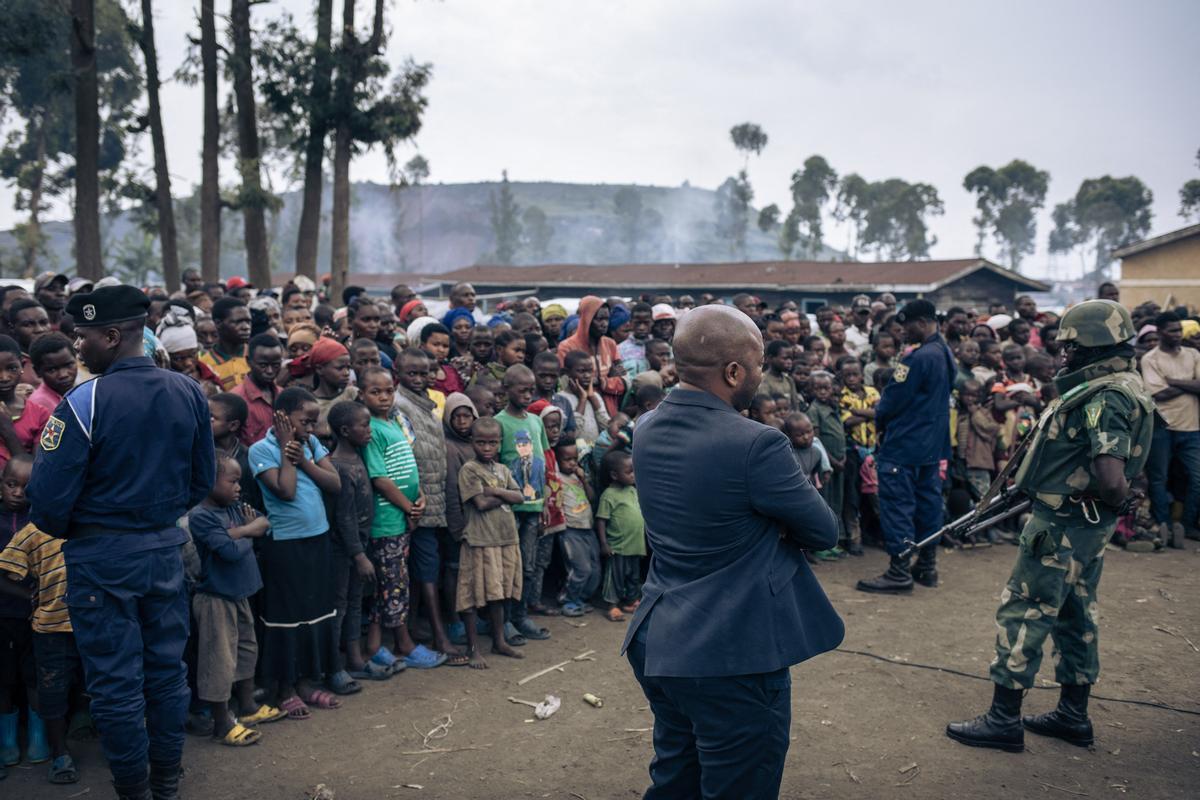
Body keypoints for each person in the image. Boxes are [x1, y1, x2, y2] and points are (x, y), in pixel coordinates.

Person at [622, 305, 843, 799]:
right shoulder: (758, 444)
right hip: (731, 651)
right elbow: (824, 531)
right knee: (740, 783)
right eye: (759, 363)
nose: (762, 374)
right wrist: (774, 527)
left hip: (660, 638)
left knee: (677, 776)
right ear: (734, 371)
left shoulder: (646, 428)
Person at [26, 284, 215, 800]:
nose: (78, 347)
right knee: (165, 675)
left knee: (115, 683)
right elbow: (202, 480)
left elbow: (45, 498)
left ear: (111, 336)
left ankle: (135, 791)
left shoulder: (84, 402)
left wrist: (88, 528)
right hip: (162, 552)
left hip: (101, 557)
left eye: (83, 336)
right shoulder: (188, 392)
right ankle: (167, 784)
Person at [947, 299, 1153, 753]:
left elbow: (1110, 472)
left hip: (1060, 525)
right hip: (1084, 527)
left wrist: (1119, 499)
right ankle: (1072, 715)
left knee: (1024, 611)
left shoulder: (1105, 396)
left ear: (1094, 344)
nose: (1064, 354)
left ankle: (1003, 719)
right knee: (1077, 615)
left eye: (1071, 346)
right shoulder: (1121, 384)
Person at [248, 388, 344, 719]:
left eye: (315, 422)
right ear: (283, 418)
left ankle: (306, 680)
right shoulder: (260, 450)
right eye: (305, 421)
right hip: (285, 544)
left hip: (317, 539)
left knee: (314, 611)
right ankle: (285, 687)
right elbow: (285, 492)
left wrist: (303, 457)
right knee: (286, 617)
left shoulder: (311, 445)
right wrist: (290, 455)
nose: (312, 429)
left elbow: (334, 484)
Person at [856, 299, 955, 594]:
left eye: (906, 325)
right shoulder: (945, 353)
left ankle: (899, 572)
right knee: (928, 505)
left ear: (922, 323)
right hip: (931, 445)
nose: (902, 332)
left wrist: (880, 409)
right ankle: (927, 565)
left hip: (905, 445)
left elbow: (892, 402)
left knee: (897, 506)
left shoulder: (916, 358)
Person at [187, 456, 283, 747]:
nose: (239, 487)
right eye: (232, 481)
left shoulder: (231, 508)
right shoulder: (200, 515)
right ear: (208, 481)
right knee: (219, 660)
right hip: (216, 597)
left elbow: (263, 523)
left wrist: (240, 533)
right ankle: (222, 721)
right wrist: (247, 531)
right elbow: (227, 550)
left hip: (239, 592)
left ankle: (248, 707)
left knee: (245, 649)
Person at [358, 367, 445, 671]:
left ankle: (374, 645)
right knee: (392, 585)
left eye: (388, 391)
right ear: (361, 394)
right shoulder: (370, 429)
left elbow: (406, 467)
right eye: (375, 392)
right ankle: (403, 643)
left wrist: (418, 495)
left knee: (393, 582)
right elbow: (380, 478)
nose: (383, 397)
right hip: (387, 519)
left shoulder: (392, 422)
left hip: (402, 514)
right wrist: (409, 506)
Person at [0, 455, 79, 784]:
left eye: (27, 487)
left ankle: (39, 739)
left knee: (38, 677)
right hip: (5, 614)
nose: (19, 492)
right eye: (11, 484)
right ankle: (6, 741)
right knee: (4, 678)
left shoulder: (44, 521)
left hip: (43, 619)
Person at [391, 349, 466, 663]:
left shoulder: (428, 405)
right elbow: (403, 458)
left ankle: (420, 627)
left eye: (426, 372)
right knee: (426, 571)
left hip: (434, 501)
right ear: (399, 373)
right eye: (412, 373)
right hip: (415, 503)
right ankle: (438, 636)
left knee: (426, 571)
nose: (420, 379)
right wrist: (413, 499)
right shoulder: (399, 406)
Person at [455, 416, 527, 668]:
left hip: (505, 539)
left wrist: (495, 491)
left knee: (499, 594)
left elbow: (520, 497)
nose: (487, 448)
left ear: (500, 443)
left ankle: (499, 641)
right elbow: (480, 504)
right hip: (480, 540)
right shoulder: (469, 470)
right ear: (472, 442)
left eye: (492, 443)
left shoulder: (503, 470)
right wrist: (506, 496)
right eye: (481, 443)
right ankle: (473, 648)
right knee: (472, 595)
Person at [323, 402, 382, 684]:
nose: (369, 430)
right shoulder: (339, 467)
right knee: (339, 605)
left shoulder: (358, 457)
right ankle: (334, 668)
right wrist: (359, 555)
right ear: (345, 431)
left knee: (355, 602)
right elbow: (344, 517)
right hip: (342, 548)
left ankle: (356, 660)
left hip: (359, 542)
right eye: (364, 425)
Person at [494, 365, 552, 643]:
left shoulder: (536, 421)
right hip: (508, 509)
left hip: (533, 506)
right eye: (522, 389)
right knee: (508, 566)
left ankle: (520, 616)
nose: (528, 394)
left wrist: (545, 501)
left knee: (527, 566)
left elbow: (543, 461)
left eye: (532, 389)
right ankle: (504, 622)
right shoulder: (499, 422)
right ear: (506, 390)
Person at [1139, 310, 1200, 545]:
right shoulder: (1150, 359)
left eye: (1179, 330)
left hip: (1191, 427)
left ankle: (1185, 526)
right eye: (1172, 330)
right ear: (1160, 332)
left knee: (1196, 479)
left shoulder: (1193, 354)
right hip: (1161, 427)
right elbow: (1159, 394)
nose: (1178, 334)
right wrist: (1189, 385)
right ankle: (1163, 525)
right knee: (1158, 478)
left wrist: (1173, 381)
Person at [595, 450, 645, 621]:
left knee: (633, 576)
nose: (633, 475)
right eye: (629, 471)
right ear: (615, 475)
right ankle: (612, 606)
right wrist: (604, 543)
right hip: (618, 546)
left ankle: (631, 601)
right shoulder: (609, 495)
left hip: (636, 544)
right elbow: (601, 520)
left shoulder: (632, 490)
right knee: (615, 577)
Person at [556, 296, 627, 417]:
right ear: (587, 319)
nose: (604, 324)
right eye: (599, 319)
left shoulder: (610, 344)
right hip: (582, 408)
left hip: (610, 408)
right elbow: (568, 384)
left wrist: (600, 382)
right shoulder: (567, 347)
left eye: (606, 319)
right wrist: (608, 378)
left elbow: (623, 383)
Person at [232, 333, 283, 446]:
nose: (270, 371)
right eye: (263, 365)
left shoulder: (283, 395)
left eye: (275, 365)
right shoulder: (236, 399)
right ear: (248, 361)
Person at [201, 297, 252, 391]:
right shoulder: (204, 364)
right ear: (218, 323)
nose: (246, 327)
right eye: (238, 322)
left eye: (248, 321)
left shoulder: (256, 357)